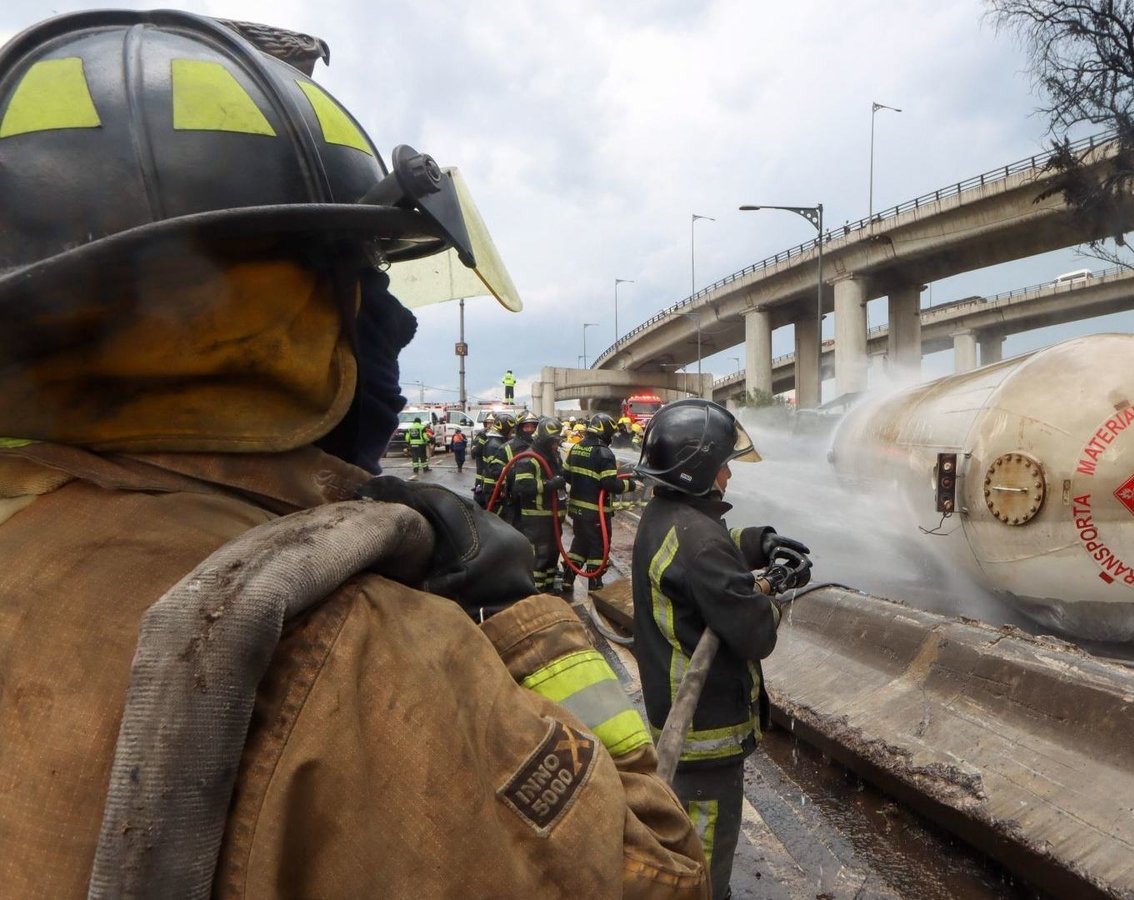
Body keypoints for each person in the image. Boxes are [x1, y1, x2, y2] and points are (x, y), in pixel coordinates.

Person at [0, 12, 705, 898]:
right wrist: (528, 624)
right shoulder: (362, 655)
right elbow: (661, 874)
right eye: (364, 274)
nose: (392, 317)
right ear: (258, 314)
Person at [630, 399, 812, 900]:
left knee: (683, 825)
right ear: (698, 471)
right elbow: (756, 634)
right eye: (723, 464)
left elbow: (714, 542)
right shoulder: (698, 544)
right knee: (705, 845)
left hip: (674, 713)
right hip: (703, 726)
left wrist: (762, 542)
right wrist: (777, 587)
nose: (730, 474)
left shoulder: (666, 516)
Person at [563, 413, 635, 594]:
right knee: (598, 546)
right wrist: (630, 484)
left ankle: (568, 578)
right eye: (610, 434)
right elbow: (609, 484)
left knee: (579, 543)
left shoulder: (576, 448)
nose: (611, 438)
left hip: (577, 510)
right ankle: (595, 584)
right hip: (596, 512)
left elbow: (566, 476)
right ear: (604, 432)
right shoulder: (605, 453)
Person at [500, 414, 568, 594]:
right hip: (537, 517)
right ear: (545, 440)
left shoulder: (553, 456)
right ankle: (537, 592)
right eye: (554, 440)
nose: (556, 444)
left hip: (553, 516)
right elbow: (522, 486)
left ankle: (548, 585)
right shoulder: (529, 458)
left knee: (553, 554)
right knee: (541, 555)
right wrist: (549, 485)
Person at [475, 412, 513, 507]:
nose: (512, 434)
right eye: (511, 431)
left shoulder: (496, 442)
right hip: (493, 488)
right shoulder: (494, 446)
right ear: (505, 429)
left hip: (491, 486)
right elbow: (496, 470)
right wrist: (502, 488)